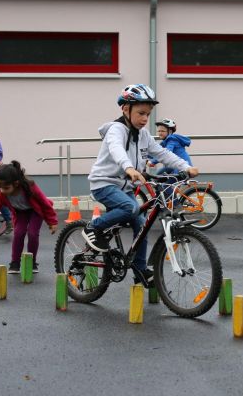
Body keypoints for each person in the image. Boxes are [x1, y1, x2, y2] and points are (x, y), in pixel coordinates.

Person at [83, 84, 199, 286]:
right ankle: (94, 227)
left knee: (141, 223)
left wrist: (185, 166)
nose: (145, 118)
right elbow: (117, 149)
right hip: (103, 184)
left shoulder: (143, 135)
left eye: (148, 114)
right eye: (141, 113)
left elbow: (162, 154)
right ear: (125, 109)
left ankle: (140, 270)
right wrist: (128, 168)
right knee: (130, 208)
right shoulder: (115, 130)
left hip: (123, 186)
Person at [0, 161, 58, 274]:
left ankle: (32, 261)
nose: (2, 190)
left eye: (6, 187)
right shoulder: (1, 195)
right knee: (19, 233)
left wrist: (52, 221)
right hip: (20, 212)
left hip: (35, 211)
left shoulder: (29, 187)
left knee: (32, 233)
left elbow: (44, 202)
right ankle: (15, 262)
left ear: (16, 184)